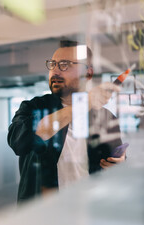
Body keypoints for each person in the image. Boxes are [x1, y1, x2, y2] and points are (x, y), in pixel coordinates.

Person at [7, 40, 126, 203]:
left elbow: (117, 161)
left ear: (88, 74)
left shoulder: (105, 117)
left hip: (89, 209)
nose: (55, 71)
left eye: (64, 65)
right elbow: (20, 142)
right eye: (53, 64)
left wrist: (119, 163)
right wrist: (85, 103)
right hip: (43, 214)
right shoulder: (34, 106)